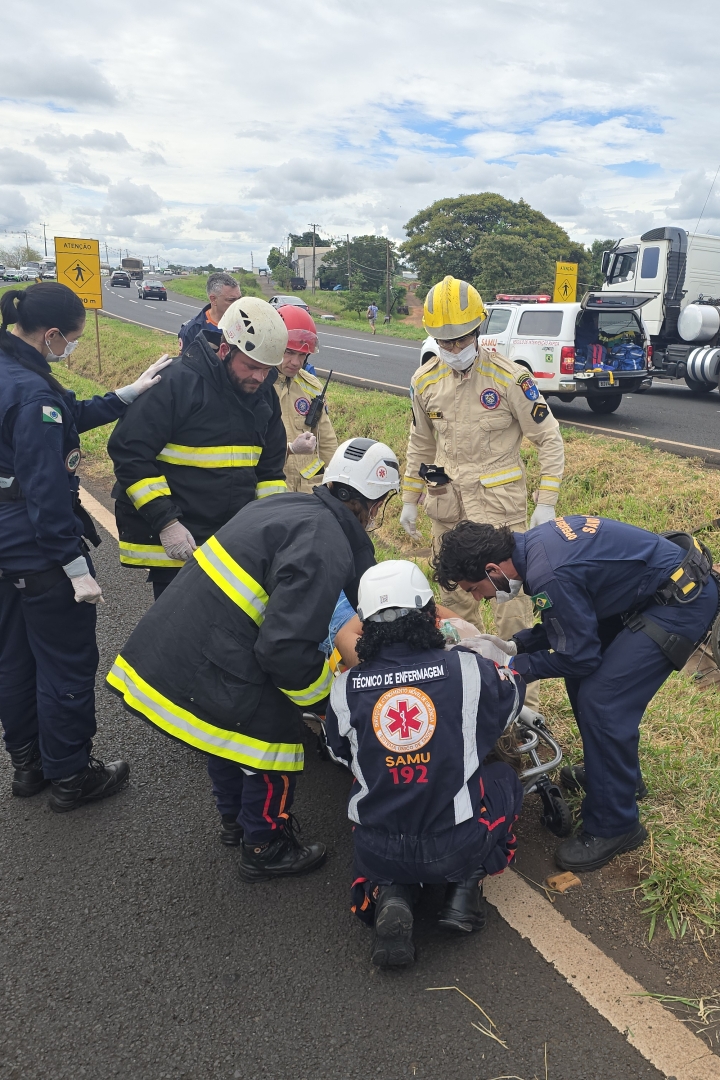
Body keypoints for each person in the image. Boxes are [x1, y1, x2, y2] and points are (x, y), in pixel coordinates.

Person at [107, 438, 399, 879]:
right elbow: (285, 648)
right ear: (372, 503)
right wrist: (325, 705)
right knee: (271, 743)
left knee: (227, 733)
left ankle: (234, 821)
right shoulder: (327, 542)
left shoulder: (288, 506)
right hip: (220, 649)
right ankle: (265, 845)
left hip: (184, 640)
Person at [432, 516, 720, 873]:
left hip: (679, 603)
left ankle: (616, 826)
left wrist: (513, 667)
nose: (478, 597)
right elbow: (569, 624)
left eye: (475, 588)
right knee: (583, 685)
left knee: (603, 701)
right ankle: (617, 779)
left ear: (492, 569)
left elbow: (581, 656)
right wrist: (513, 644)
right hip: (649, 592)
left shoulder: (549, 573)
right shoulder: (533, 548)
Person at [0, 283, 170, 809]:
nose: (69, 348)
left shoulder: (14, 374)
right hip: (39, 553)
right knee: (65, 664)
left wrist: (126, 395)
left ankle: (28, 766)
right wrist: (75, 565)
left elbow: (68, 416)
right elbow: (47, 491)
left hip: (5, 550)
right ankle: (72, 775)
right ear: (51, 334)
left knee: (13, 660)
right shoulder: (34, 395)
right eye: (70, 340)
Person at [325, 560, 524, 968]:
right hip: (453, 846)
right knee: (503, 778)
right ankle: (463, 893)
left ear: (365, 624)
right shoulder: (467, 669)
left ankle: (393, 893)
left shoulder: (345, 688)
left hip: (376, 849)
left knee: (374, 787)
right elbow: (508, 706)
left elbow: (341, 753)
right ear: (430, 615)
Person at [399, 275, 565, 706]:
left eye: (460, 339)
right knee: (455, 604)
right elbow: (420, 442)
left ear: (479, 329)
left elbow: (549, 438)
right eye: (444, 342)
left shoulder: (510, 378)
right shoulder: (424, 381)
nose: (453, 350)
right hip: (448, 509)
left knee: (511, 610)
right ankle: (466, 693)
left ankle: (523, 705)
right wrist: (409, 499)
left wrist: (546, 503)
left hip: (499, 514)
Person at [108, 296, 290, 599]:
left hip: (233, 544)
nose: (259, 377)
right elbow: (130, 452)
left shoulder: (263, 397)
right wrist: (166, 521)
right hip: (180, 542)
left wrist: (272, 529)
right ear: (224, 350)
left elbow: (270, 473)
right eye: (251, 367)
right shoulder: (176, 384)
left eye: (267, 369)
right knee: (174, 639)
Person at [274, 305, 338, 492]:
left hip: (307, 493)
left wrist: (335, 480)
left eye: (302, 355)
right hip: (271, 490)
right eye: (289, 352)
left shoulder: (311, 386)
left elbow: (326, 440)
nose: (296, 362)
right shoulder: (256, 385)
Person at [177, 272, 241, 352]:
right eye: (231, 300)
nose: (237, 304)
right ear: (213, 299)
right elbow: (187, 363)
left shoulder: (247, 324)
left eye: (239, 299)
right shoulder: (192, 330)